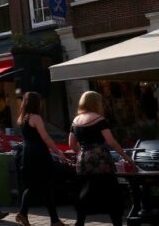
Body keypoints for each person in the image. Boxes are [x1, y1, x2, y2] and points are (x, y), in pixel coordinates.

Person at [69, 91, 132, 226]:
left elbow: (71, 144)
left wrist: (82, 153)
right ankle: (117, 222)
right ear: (95, 103)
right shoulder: (99, 119)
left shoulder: (75, 120)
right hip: (100, 159)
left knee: (85, 190)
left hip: (83, 161)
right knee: (110, 190)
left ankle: (80, 222)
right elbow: (111, 141)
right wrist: (125, 156)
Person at [15, 92, 68, 226]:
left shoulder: (22, 118)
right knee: (44, 185)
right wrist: (58, 152)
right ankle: (25, 213)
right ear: (36, 103)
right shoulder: (36, 117)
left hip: (27, 153)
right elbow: (45, 137)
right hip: (39, 153)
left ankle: (51, 219)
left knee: (37, 186)